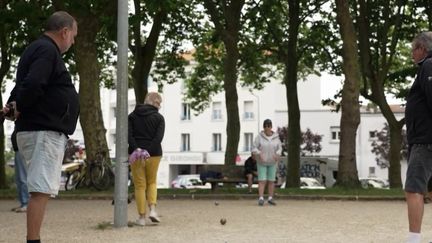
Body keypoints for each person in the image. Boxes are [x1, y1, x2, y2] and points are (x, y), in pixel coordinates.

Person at [4, 11, 79, 243]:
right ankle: (33, 240)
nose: (73, 42)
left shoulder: (35, 49)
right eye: (73, 36)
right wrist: (18, 107)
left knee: (39, 188)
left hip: (37, 129)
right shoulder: (47, 50)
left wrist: (12, 106)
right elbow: (34, 83)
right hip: (43, 130)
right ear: (64, 31)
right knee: (40, 190)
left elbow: (24, 84)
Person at [404, 31, 432, 243]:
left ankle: (414, 240)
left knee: (414, 188)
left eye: (414, 49)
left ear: (422, 49)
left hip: (425, 140)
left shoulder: (428, 67)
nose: (412, 53)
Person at [128, 92, 165, 226]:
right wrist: (147, 151)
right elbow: (158, 138)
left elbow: (129, 136)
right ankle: (153, 210)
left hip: (135, 154)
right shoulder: (159, 118)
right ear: (154, 102)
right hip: (154, 154)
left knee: (139, 185)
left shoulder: (132, 116)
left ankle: (142, 218)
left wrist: (138, 149)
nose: (159, 106)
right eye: (158, 103)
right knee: (152, 182)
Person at [252, 119, 282, 206]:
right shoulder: (259, 137)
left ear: (271, 127)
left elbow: (280, 148)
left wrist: (277, 154)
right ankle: (261, 198)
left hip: (272, 162)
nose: (267, 128)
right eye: (265, 126)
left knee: (271, 180)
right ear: (263, 127)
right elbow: (254, 148)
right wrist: (259, 153)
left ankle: (270, 198)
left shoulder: (276, 137)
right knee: (262, 180)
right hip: (262, 162)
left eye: (268, 126)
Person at [10, 130, 29, 213]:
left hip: (22, 149)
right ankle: (23, 203)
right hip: (18, 149)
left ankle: (26, 204)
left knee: (23, 178)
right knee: (19, 179)